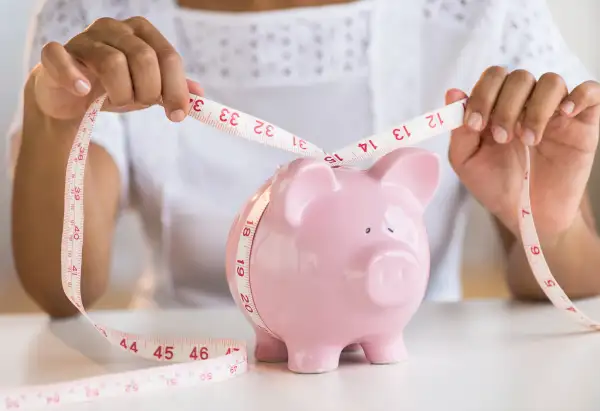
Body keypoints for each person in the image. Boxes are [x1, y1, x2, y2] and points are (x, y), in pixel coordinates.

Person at [7, 0, 600, 318]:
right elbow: (65, 294)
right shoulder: (96, 23)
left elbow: (573, 287)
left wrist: (547, 224)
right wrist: (55, 120)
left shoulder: (483, 10)